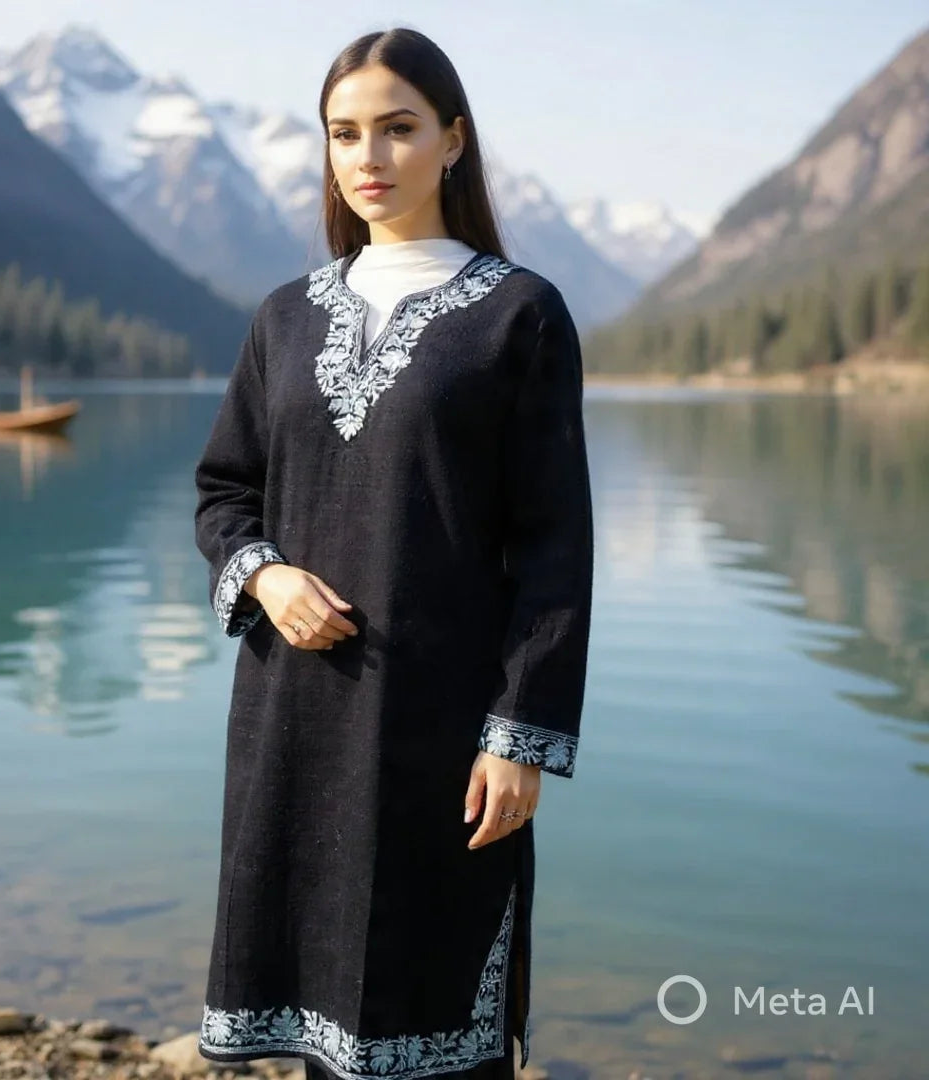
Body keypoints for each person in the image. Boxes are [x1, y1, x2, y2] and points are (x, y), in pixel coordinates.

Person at [193, 26, 594, 1080]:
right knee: (316, 1013)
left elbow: (555, 545)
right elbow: (224, 491)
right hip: (293, 719)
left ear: (453, 141)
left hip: (443, 730)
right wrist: (266, 574)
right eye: (344, 133)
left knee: (439, 1016)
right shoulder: (284, 318)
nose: (368, 156)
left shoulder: (520, 315)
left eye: (398, 129)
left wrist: (521, 738)